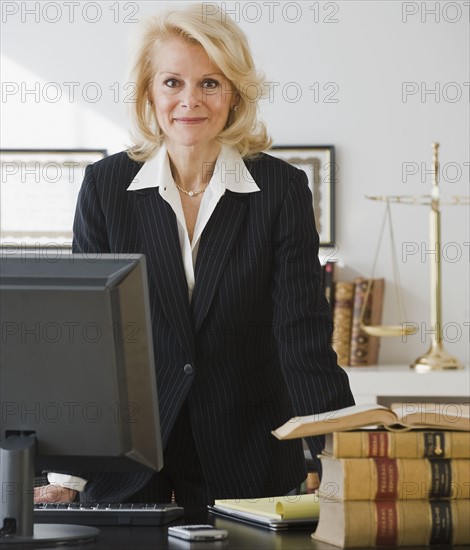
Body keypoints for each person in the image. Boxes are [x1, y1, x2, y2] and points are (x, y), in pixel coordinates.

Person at [34, 3, 354, 508]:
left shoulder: (280, 189)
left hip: (248, 456)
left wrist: (337, 456)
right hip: (130, 464)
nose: (190, 100)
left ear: (234, 93)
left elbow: (301, 334)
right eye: (172, 82)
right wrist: (68, 477)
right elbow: (91, 341)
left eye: (210, 83)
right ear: (147, 91)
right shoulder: (106, 186)